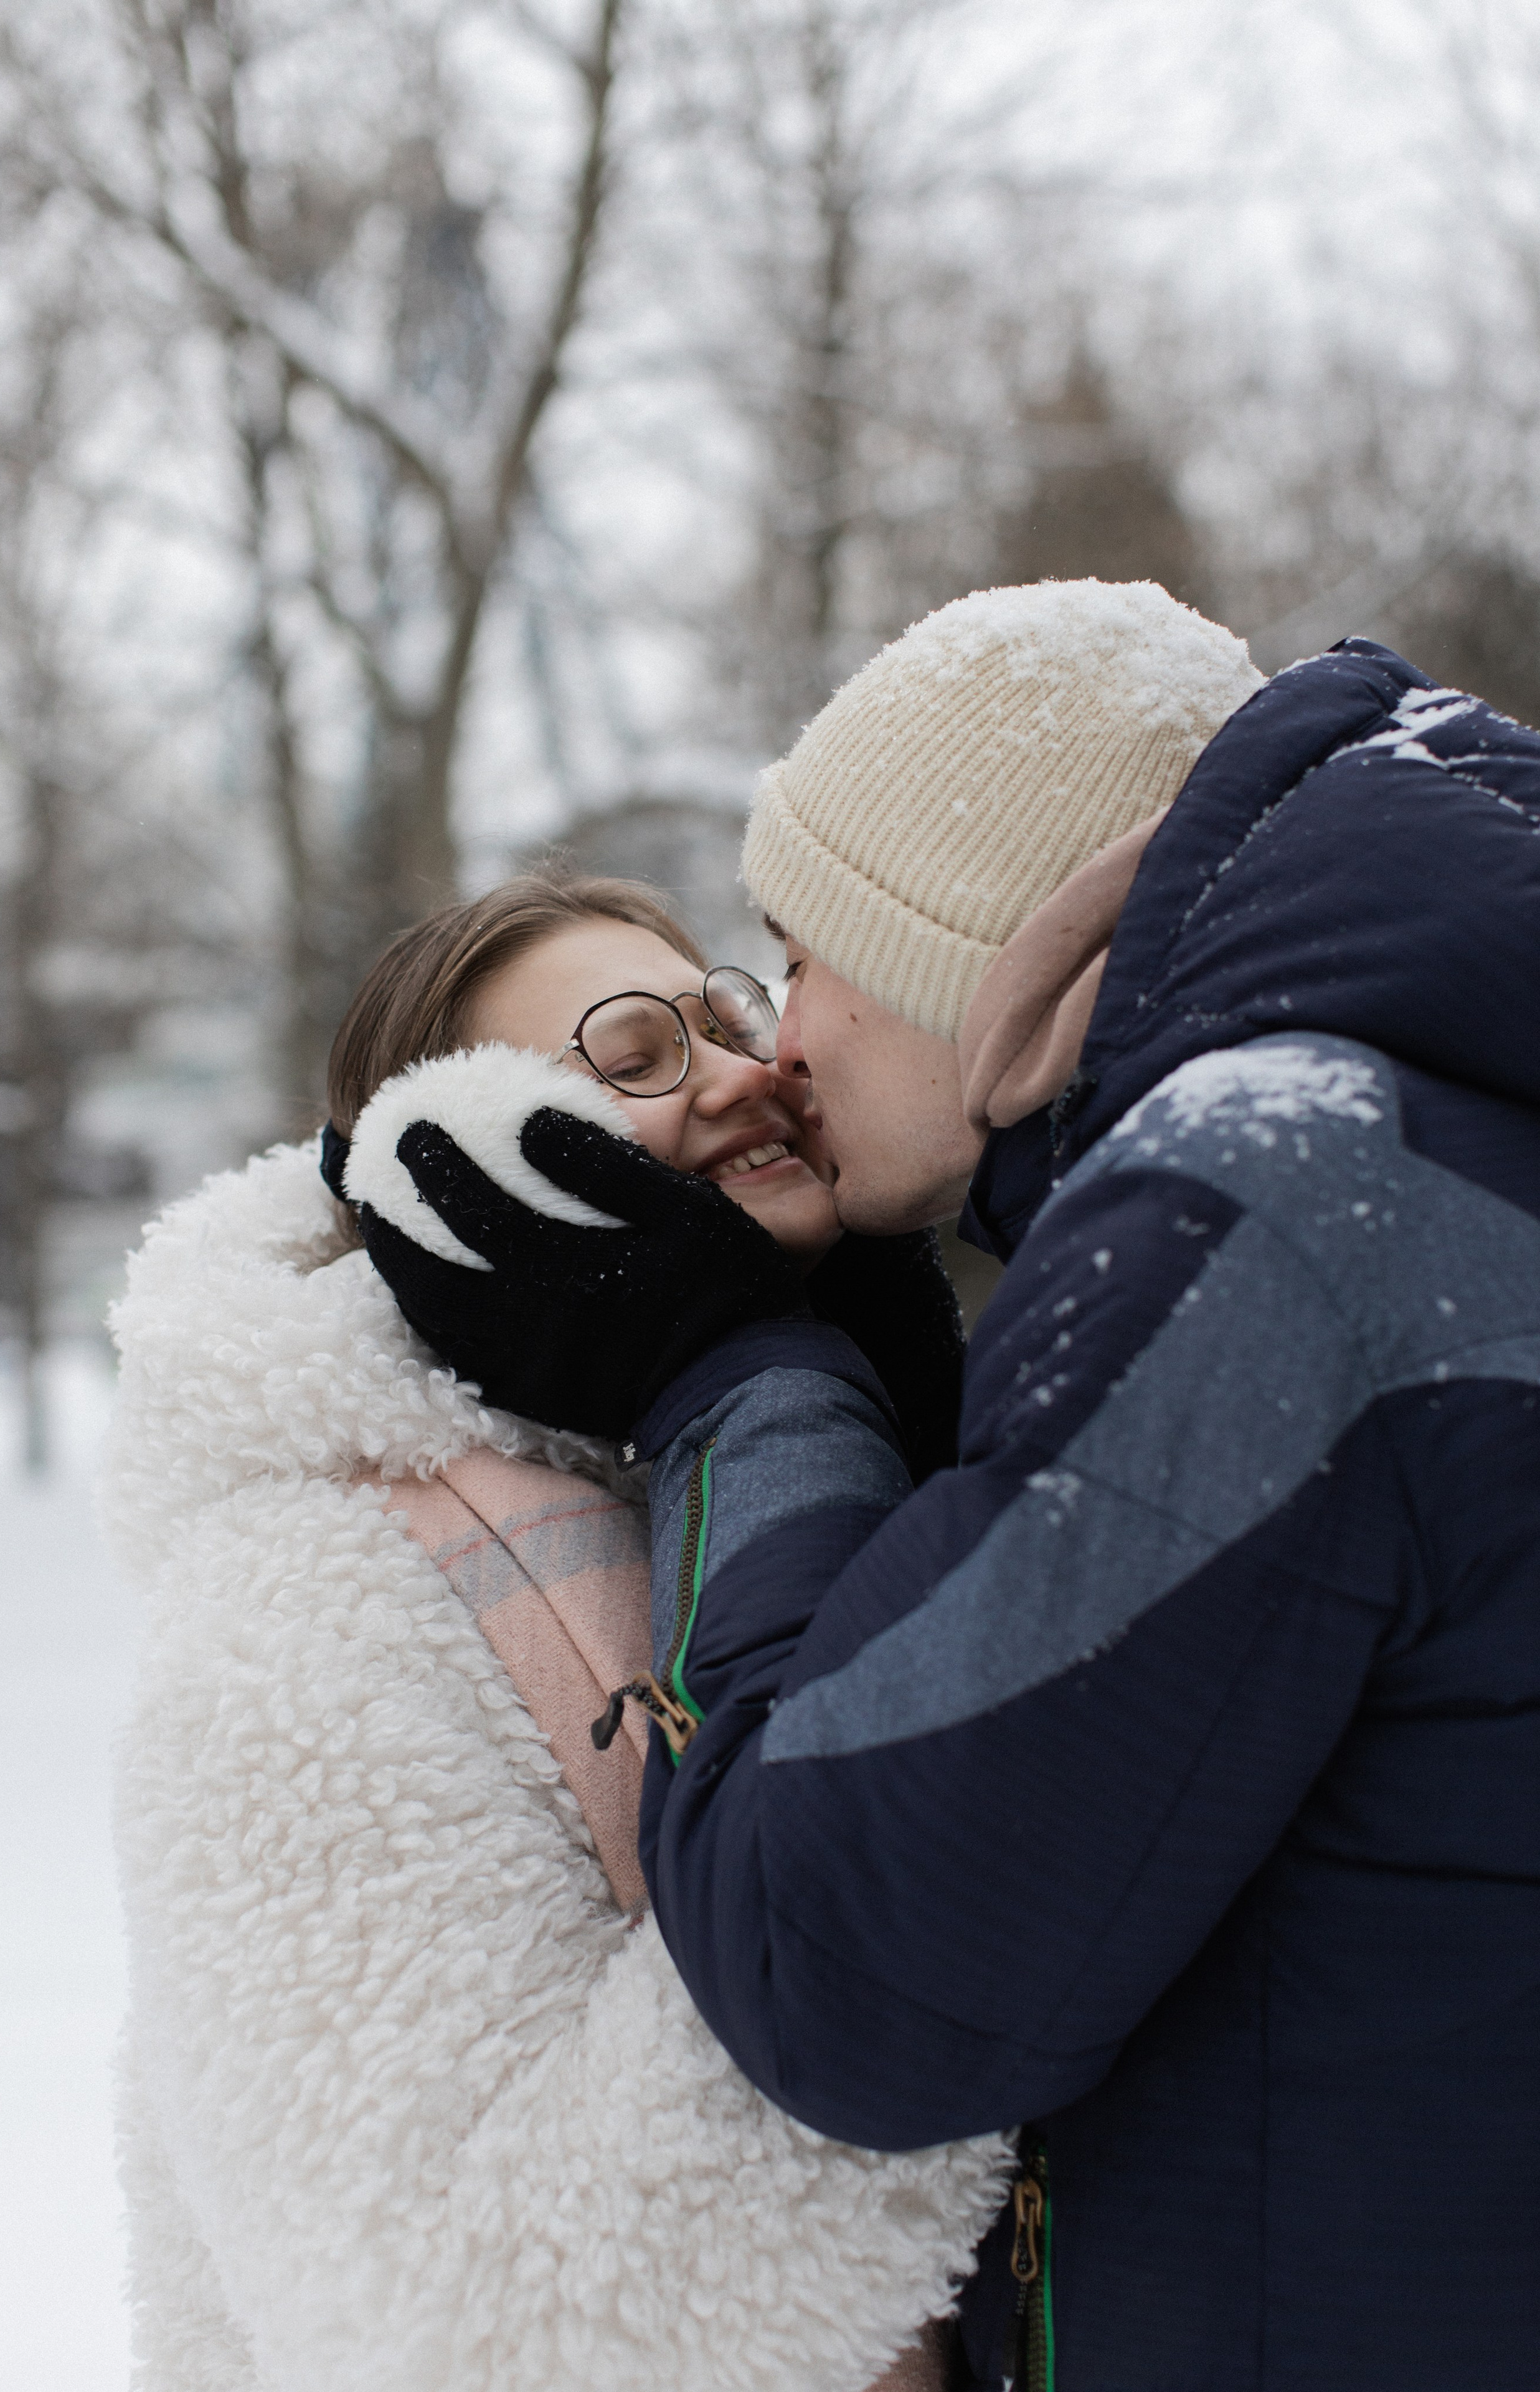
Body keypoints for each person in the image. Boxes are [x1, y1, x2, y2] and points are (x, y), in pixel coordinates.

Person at [348, 581, 1540, 2392]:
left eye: (785, 965)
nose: (781, 1054)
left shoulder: (1265, 1210)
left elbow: (842, 1964)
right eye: (620, 1067)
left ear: (964, 947)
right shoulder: (1406, 1133)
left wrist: (740, 1380)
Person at [105, 873, 1007, 2392]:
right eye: (638, 1054)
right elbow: (477, 2313)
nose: (744, 1074)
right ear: (458, 1164)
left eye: (726, 1016)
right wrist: (974, 1948)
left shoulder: (805, 1436)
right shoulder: (300, 1611)